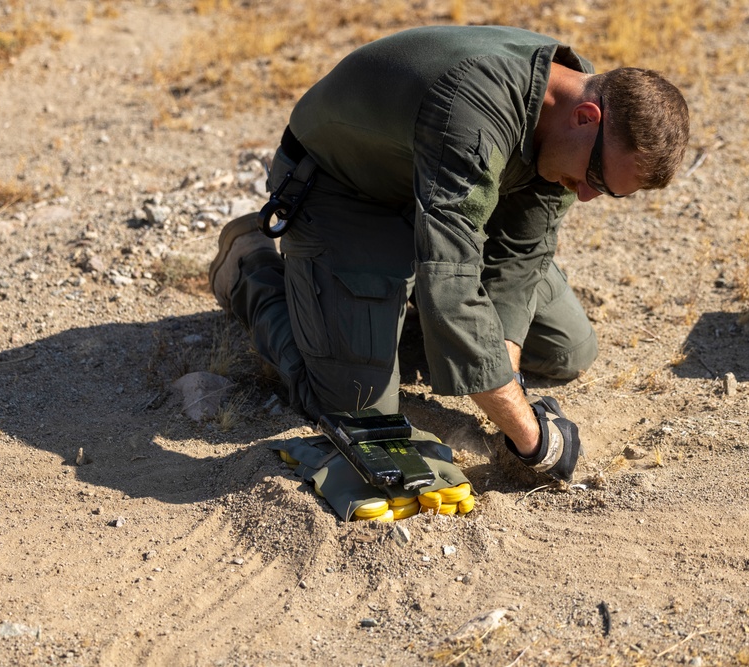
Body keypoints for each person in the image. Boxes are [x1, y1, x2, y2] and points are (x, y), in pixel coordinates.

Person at [208, 25, 689, 483]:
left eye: (609, 193)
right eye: (598, 179)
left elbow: (519, 261)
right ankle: (252, 269)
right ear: (587, 117)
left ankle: (374, 314)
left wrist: (508, 378)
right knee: (356, 405)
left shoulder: (571, 123)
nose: (586, 195)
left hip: (441, 206)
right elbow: (451, 281)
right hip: (348, 192)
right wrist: (531, 439)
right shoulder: (475, 107)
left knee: (566, 348)